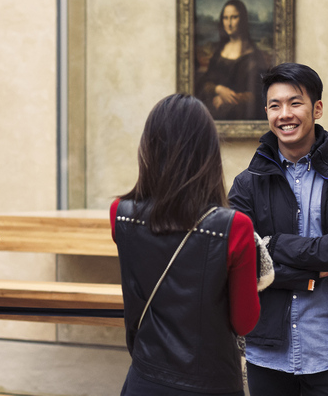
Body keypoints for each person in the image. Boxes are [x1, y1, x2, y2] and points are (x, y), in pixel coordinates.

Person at [228, 63, 328, 395]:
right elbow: (240, 262)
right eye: (275, 105)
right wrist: (311, 272)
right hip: (266, 350)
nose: (285, 114)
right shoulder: (246, 185)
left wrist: (272, 244)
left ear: (317, 109)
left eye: (295, 103)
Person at [111, 94, 260, 396]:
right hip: (211, 383)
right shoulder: (235, 227)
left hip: (145, 378)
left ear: (149, 147)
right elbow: (245, 322)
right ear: (208, 152)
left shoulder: (120, 215)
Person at [196, 0, 270, 120]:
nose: (229, 23)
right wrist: (218, 89)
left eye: (234, 17)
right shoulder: (218, 51)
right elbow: (205, 82)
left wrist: (230, 98)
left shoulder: (253, 55)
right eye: (225, 18)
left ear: (243, 20)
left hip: (241, 115)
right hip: (214, 113)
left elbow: (259, 93)